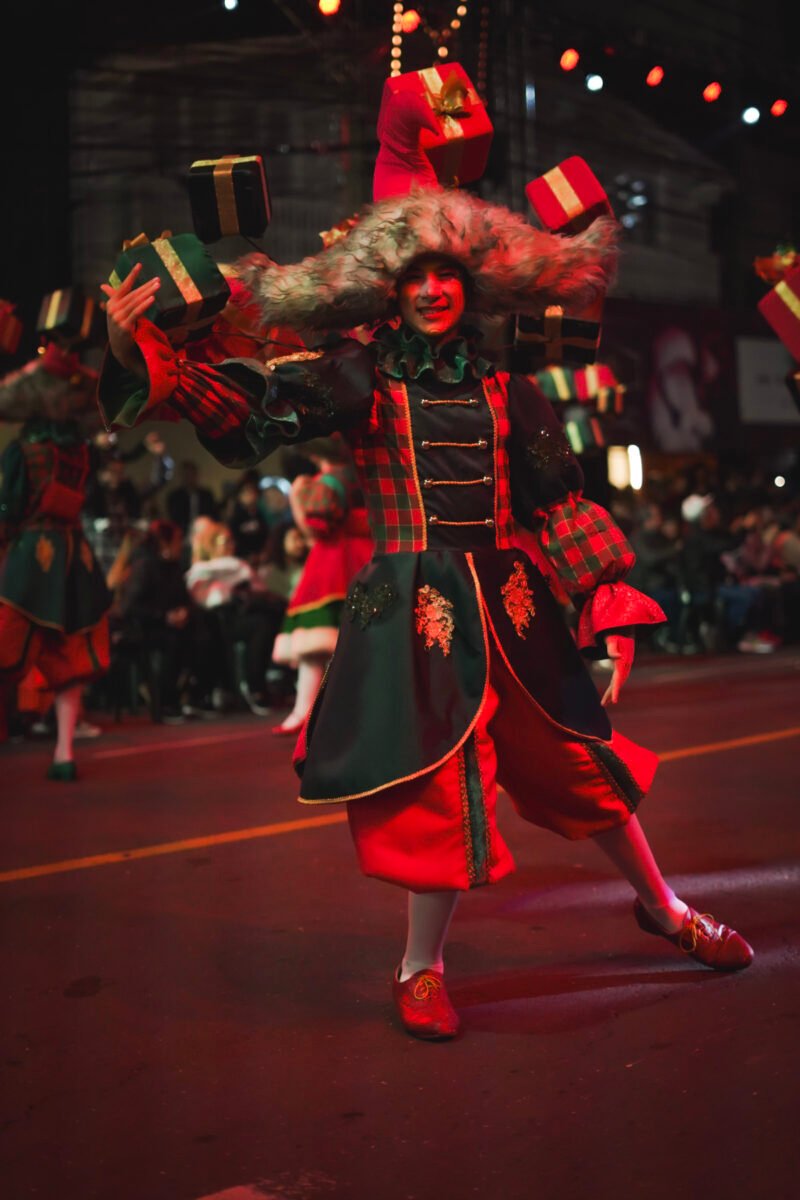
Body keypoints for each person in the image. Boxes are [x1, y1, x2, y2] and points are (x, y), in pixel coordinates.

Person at [100, 186, 753, 1040]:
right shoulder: (357, 376)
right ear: (389, 289)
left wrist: (606, 599)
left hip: (513, 606)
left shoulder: (512, 390)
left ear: (473, 287)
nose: (433, 289)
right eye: (416, 276)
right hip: (411, 608)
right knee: (440, 781)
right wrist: (137, 348)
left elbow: (557, 498)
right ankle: (420, 967)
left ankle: (665, 910)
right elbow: (251, 413)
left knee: (583, 763)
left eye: (448, 275)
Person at [0, 342, 111, 777]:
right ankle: (64, 753)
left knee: (8, 642)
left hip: (32, 554)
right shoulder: (80, 450)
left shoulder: (23, 449)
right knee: (71, 656)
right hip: (75, 556)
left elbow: (8, 507)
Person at [269, 438, 373, 735]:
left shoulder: (326, 481)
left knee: (317, 643)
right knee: (359, 637)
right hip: (367, 552)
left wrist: (297, 499)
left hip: (333, 558)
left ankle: (306, 711)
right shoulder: (363, 472)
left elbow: (315, 529)